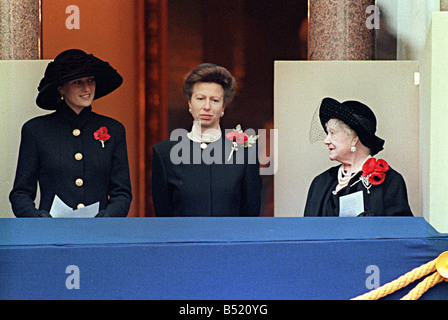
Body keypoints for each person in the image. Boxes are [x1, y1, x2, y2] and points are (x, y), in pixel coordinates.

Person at [9, 49, 132, 217]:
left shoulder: (114, 129)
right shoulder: (36, 130)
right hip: (51, 233)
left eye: (90, 80)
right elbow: (21, 194)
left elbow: (122, 194)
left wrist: (105, 220)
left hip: (100, 233)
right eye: (78, 82)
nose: (87, 88)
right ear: (61, 88)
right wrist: (40, 222)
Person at [151, 63, 261, 216]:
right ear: (189, 103)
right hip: (185, 239)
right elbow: (164, 214)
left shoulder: (244, 152)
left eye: (215, 100)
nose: (207, 106)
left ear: (223, 107)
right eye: (200, 98)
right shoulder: (165, 153)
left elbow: (251, 212)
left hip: (231, 239)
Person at [304, 97, 413, 217]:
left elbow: (399, 231)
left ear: (354, 138)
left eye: (333, 133)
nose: (326, 140)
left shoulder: (390, 181)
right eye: (327, 133)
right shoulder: (320, 182)